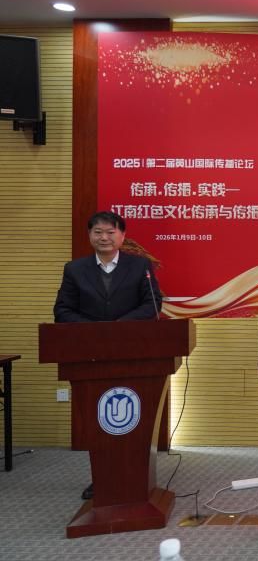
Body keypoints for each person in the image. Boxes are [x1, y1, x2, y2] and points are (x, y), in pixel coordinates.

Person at [54, 210, 162, 501]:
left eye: (110, 232)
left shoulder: (140, 266)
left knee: (135, 420)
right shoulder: (74, 269)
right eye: (98, 232)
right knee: (98, 420)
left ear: (122, 236)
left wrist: (119, 327)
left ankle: (136, 477)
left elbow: (152, 304)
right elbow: (62, 310)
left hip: (134, 356)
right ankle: (102, 478)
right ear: (90, 236)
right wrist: (96, 331)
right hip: (91, 358)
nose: (104, 237)